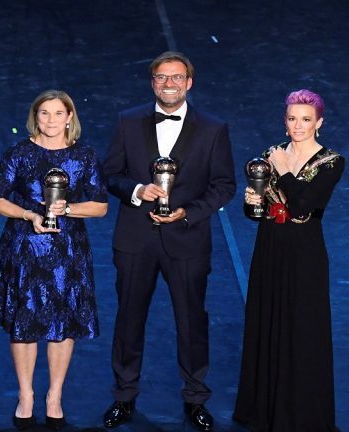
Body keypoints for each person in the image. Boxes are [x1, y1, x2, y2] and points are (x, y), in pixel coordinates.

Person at [101, 51, 236, 431]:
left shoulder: (213, 128)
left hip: (187, 239)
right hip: (135, 238)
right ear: (152, 83)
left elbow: (224, 185)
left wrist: (188, 212)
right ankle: (124, 396)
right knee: (129, 319)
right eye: (162, 77)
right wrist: (137, 190)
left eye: (177, 77)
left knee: (192, 322)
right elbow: (110, 173)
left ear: (189, 83)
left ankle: (195, 399)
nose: (169, 84)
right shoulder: (128, 121)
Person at [0, 90, 108, 431]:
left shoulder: (85, 156)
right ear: (35, 117)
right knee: (25, 321)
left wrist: (68, 209)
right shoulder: (18, 153)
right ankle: (26, 396)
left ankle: (55, 396)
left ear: (69, 117)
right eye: (44, 113)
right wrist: (28, 214)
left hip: (68, 250)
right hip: (25, 248)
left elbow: (100, 206)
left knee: (64, 324)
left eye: (58, 113)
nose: (51, 120)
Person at [233, 89, 344, 431]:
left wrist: (282, 171)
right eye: (292, 118)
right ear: (285, 121)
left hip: (304, 252)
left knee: (302, 327)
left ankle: (300, 415)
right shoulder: (271, 154)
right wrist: (252, 202)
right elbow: (256, 212)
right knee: (266, 320)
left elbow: (301, 206)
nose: (298, 125)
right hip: (270, 246)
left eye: (306, 119)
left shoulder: (331, 162)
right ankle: (263, 410)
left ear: (319, 123)